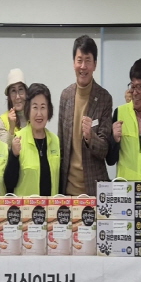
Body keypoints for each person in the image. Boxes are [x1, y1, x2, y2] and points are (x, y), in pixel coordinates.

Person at [58, 35, 113, 196]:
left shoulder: (104, 98)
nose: (83, 66)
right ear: (73, 63)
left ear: (95, 64)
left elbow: (104, 149)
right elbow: (61, 144)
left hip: (94, 190)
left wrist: (90, 137)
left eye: (88, 60)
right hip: (68, 190)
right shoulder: (66, 96)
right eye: (79, 60)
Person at [5, 83, 60, 196]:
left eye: (43, 107)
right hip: (26, 207)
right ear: (28, 109)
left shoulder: (55, 140)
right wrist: (14, 156)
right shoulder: (18, 138)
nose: (39, 114)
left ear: (49, 110)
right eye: (35, 107)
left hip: (52, 206)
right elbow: (9, 183)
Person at [0, 68, 28, 145]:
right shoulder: (2, 122)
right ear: (9, 96)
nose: (17, 96)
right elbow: (2, 151)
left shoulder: (33, 118)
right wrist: (11, 129)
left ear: (26, 93)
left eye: (21, 89)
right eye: (13, 91)